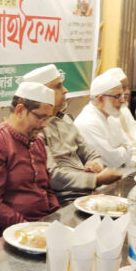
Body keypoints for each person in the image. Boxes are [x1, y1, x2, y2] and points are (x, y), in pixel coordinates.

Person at [22, 64, 121, 202]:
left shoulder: (65, 119)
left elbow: (92, 154)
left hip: (89, 192)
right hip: (63, 200)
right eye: (58, 86)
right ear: (42, 94)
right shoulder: (35, 129)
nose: (65, 90)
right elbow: (52, 176)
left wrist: (94, 165)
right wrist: (95, 179)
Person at [0, 81, 60, 232]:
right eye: (40, 117)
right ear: (20, 110)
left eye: (48, 119)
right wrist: (28, 228)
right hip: (11, 231)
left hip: (42, 225)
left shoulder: (37, 142)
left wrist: (57, 217)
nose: (44, 125)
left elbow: (47, 189)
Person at [74, 72, 136, 168]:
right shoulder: (86, 123)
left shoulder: (111, 116)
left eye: (122, 95)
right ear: (100, 99)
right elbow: (111, 161)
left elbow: (129, 146)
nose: (123, 100)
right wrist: (123, 149)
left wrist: (121, 150)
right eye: (117, 96)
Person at [105, 67, 136, 165]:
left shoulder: (124, 109)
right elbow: (119, 146)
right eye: (122, 88)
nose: (128, 92)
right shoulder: (107, 115)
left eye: (127, 87)